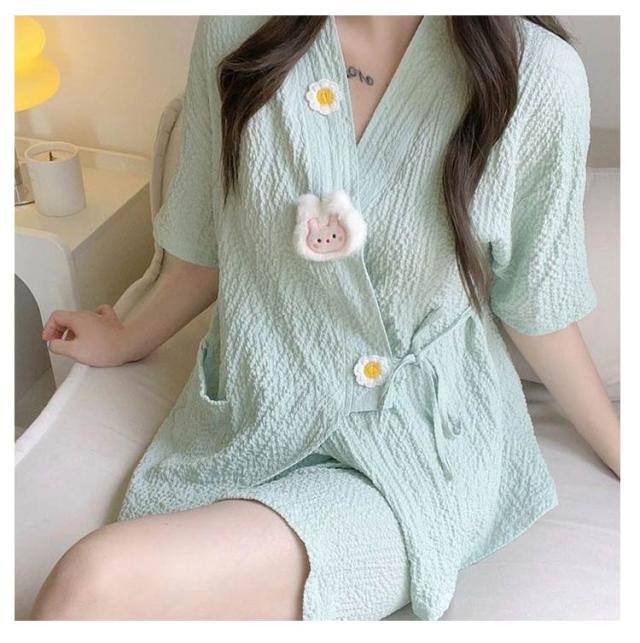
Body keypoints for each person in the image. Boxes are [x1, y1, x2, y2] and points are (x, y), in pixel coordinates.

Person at [33, 15, 620, 621]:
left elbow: (535, 303)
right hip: (255, 414)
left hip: (413, 453)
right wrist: (129, 336)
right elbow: (210, 242)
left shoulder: (537, 75)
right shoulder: (236, 29)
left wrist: (619, 445)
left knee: (92, 581)